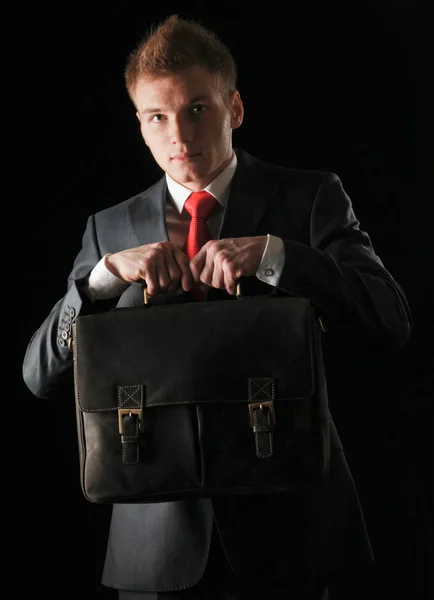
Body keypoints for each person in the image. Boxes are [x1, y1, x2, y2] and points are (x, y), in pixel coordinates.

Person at [22, 14, 412, 600]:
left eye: (197, 109)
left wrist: (280, 256)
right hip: (153, 546)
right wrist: (101, 279)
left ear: (234, 109)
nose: (178, 135)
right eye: (158, 117)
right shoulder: (108, 231)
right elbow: (37, 375)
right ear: (140, 126)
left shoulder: (310, 198)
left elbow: (391, 322)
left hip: (290, 527)